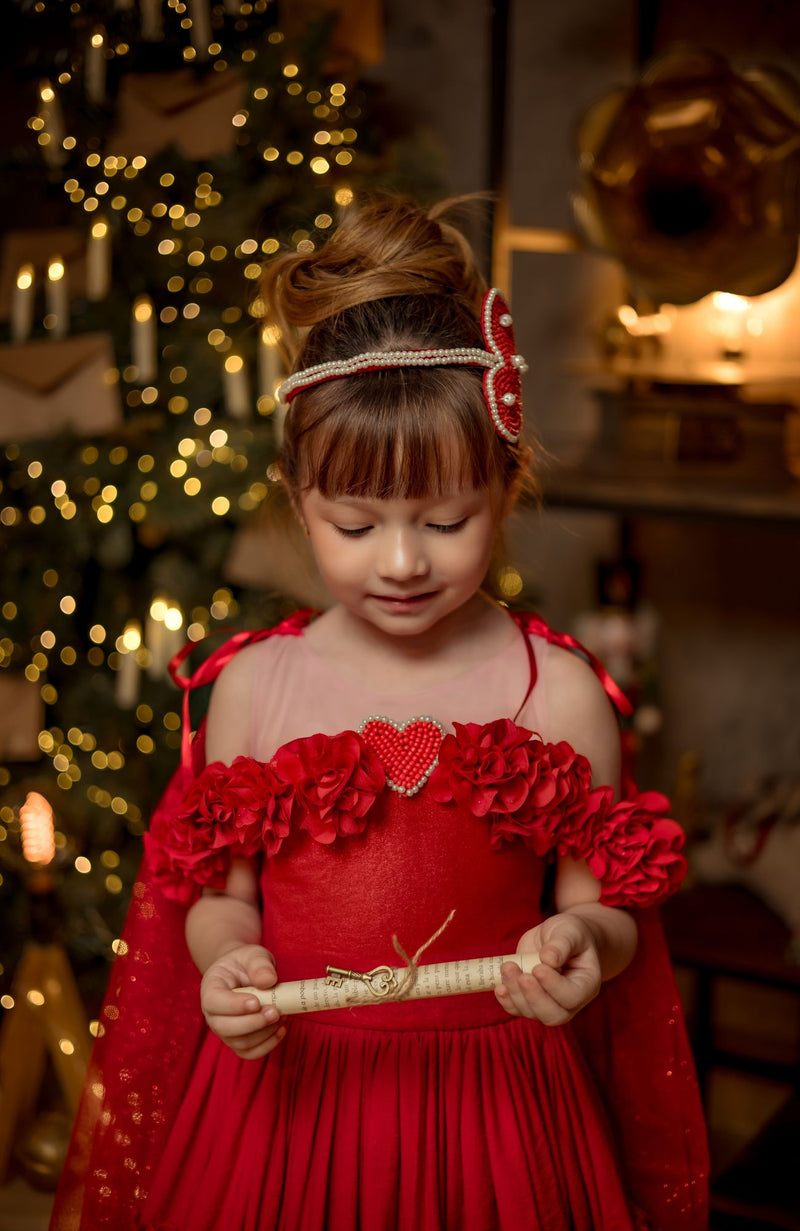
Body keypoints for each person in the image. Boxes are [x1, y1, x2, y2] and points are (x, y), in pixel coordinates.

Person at [51, 196, 708, 1231]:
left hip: (497, 1117)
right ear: (296, 493)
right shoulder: (252, 688)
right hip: (284, 1108)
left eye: (445, 521)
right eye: (353, 525)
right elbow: (221, 899)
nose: (401, 563)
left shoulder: (558, 691)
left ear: (505, 483)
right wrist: (226, 959)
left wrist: (583, 937)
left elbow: (606, 914)